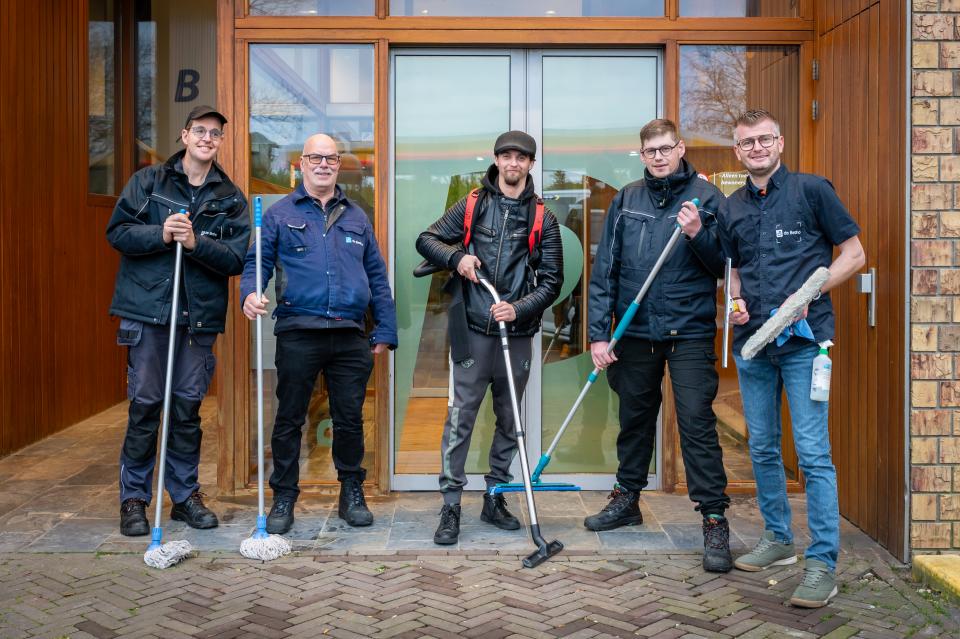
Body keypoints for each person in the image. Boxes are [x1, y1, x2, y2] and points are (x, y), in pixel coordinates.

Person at [720, 109, 865, 607]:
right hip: (754, 348)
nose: (755, 148)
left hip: (805, 346)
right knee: (762, 448)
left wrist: (811, 293)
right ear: (737, 152)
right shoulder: (732, 206)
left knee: (812, 454)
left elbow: (854, 254)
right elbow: (732, 272)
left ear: (779, 142)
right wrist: (734, 303)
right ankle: (779, 541)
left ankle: (823, 563)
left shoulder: (812, 191)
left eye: (763, 140)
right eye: (746, 143)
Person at [586, 118, 732, 573]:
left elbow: (725, 266)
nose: (659, 157)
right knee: (634, 418)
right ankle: (627, 498)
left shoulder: (708, 200)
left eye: (666, 149)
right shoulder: (626, 200)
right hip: (635, 330)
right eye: (651, 151)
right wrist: (598, 333)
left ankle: (713, 518)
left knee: (695, 423)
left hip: (688, 330)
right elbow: (604, 269)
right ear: (643, 155)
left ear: (681, 148)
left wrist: (697, 234)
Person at [241, 134, 397, 534]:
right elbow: (257, 262)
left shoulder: (357, 216)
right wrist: (250, 293)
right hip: (299, 331)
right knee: (290, 418)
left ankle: (351, 493)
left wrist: (385, 326)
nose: (324, 164)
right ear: (302, 164)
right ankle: (284, 497)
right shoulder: (279, 214)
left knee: (349, 419)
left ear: (338, 164)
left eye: (331, 158)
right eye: (316, 157)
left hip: (349, 334)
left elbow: (377, 276)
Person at [108, 105, 251, 536]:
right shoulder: (148, 182)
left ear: (221, 142)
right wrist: (160, 234)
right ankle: (134, 498)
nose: (208, 138)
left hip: (197, 320)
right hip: (148, 315)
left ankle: (184, 496)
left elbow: (234, 260)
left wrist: (195, 242)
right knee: (146, 406)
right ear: (185, 135)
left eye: (216, 133)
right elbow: (117, 233)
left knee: (187, 412)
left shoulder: (230, 198)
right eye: (201, 131)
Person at [416, 131, 563, 545]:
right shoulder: (472, 205)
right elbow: (425, 240)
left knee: (510, 420)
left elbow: (553, 282)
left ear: (531, 164)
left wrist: (518, 308)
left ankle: (495, 496)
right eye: (506, 156)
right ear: (496, 160)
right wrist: (456, 257)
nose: (513, 163)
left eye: (521, 157)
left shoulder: (542, 219)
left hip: (516, 334)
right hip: (472, 331)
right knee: (460, 418)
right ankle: (450, 505)